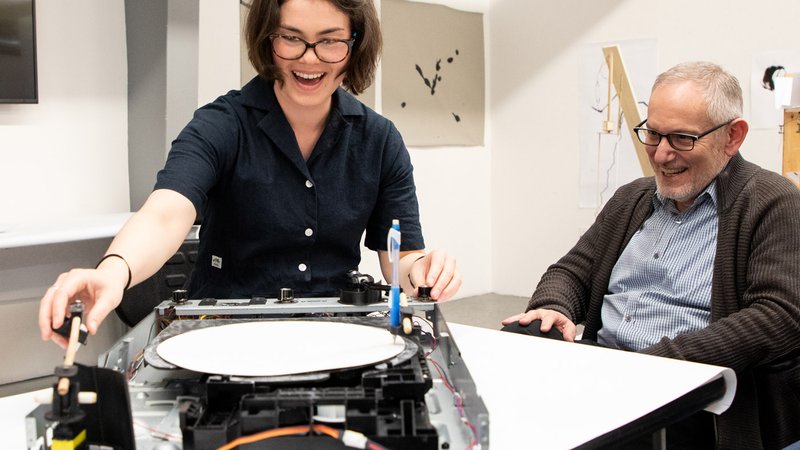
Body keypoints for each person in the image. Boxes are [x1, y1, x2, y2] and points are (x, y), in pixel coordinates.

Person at [39, 0, 461, 348]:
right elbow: (166, 213)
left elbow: (400, 259)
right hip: (221, 335)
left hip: (337, 335)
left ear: (355, 45)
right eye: (291, 38)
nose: (309, 58)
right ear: (267, 37)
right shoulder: (220, 125)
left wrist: (423, 272)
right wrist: (112, 272)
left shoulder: (380, 140)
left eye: (330, 42)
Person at [502, 62, 800, 449]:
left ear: (732, 137)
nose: (660, 155)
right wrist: (552, 306)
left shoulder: (774, 203)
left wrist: (660, 363)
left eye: (681, 139)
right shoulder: (633, 198)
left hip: (696, 394)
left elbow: (779, 317)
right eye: (653, 134)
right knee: (518, 352)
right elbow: (573, 269)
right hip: (607, 368)